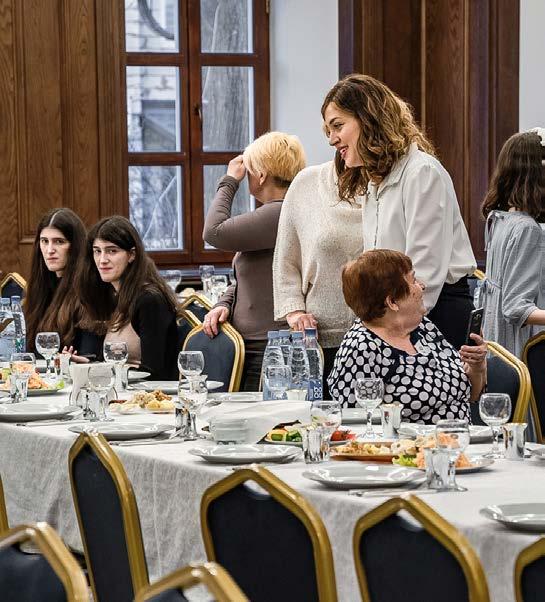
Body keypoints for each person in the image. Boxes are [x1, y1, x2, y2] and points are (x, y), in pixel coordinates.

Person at [321, 73, 477, 350]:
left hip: (433, 313)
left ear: (368, 119)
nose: (332, 140)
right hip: (396, 315)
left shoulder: (422, 172)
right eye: (329, 131)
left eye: (338, 126)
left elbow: (424, 273)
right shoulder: (375, 181)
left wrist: (389, 333)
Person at [328, 250, 487, 424]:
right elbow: (357, 425)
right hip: (411, 442)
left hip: (462, 438)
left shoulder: (423, 327)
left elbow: (470, 396)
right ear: (392, 302)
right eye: (413, 280)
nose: (422, 286)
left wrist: (477, 367)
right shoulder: (361, 349)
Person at [202, 131, 306, 390]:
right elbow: (250, 276)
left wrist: (229, 181)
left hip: (269, 349)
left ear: (261, 174)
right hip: (256, 344)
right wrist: (225, 303)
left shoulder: (279, 213)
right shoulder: (281, 211)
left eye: (248, 170)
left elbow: (213, 232)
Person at [78, 216, 179, 380]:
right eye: (97, 251)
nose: (102, 260)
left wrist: (101, 372)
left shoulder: (149, 300)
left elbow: (154, 373)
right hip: (120, 389)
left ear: (132, 255)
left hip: (146, 394)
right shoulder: (115, 295)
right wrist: (88, 363)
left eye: (112, 251)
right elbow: (115, 362)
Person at [481, 128, 545, 357]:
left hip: (496, 342)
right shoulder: (527, 229)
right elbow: (516, 307)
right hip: (520, 348)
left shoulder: (499, 219)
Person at [25, 208, 99, 359]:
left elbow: (90, 356)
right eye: (44, 241)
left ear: (75, 246)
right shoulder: (38, 288)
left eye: (59, 242)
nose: (49, 250)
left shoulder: (89, 288)